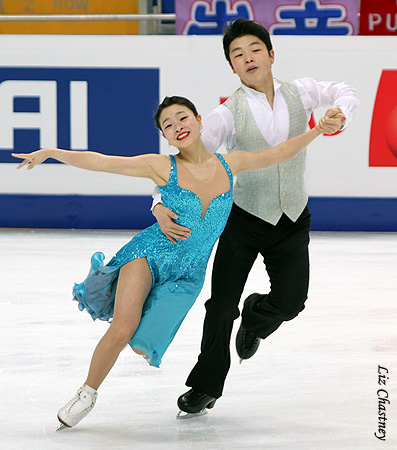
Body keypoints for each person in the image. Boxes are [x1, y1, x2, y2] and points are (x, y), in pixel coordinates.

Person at [12, 95, 340, 428]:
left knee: (142, 348)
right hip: (149, 255)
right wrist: (52, 152)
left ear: (199, 121)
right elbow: (102, 162)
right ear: (166, 138)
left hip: (187, 275)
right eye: (168, 125)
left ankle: (125, 343)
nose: (177, 127)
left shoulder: (231, 164)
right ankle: (87, 393)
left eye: (182, 118)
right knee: (123, 327)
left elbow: (278, 153)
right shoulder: (160, 166)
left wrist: (316, 131)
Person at [152, 19, 359, 415]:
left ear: (270, 54)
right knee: (220, 306)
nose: (247, 58)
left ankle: (256, 319)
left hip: (293, 218)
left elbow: (345, 91)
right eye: (237, 54)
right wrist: (160, 205)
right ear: (231, 66)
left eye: (254, 50)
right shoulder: (226, 115)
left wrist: (339, 113)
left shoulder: (302, 91)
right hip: (243, 220)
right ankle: (205, 385)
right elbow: (182, 164)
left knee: (291, 302)